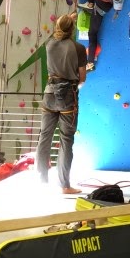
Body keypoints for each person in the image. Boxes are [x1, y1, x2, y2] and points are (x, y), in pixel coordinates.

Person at [36, 13, 87, 194]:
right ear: (73, 29)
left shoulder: (49, 44)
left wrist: (66, 20)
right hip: (68, 97)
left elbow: (58, 31)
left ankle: (41, 180)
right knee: (66, 140)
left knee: (45, 137)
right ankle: (64, 185)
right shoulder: (79, 48)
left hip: (49, 93)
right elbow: (82, 78)